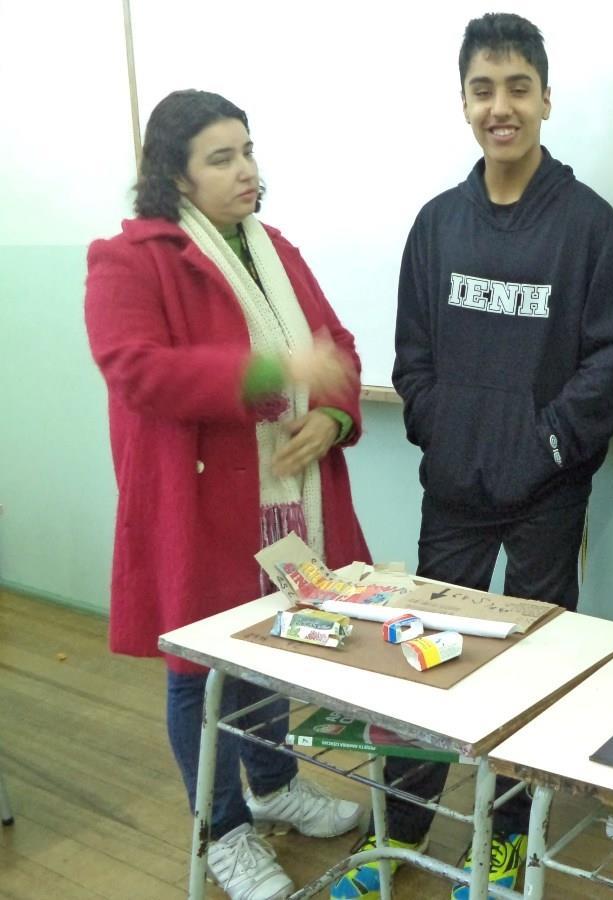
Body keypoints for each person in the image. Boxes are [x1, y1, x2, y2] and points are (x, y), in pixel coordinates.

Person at [332, 14, 613, 900]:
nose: (500, 107)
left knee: (528, 678)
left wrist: (545, 445)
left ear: (545, 98)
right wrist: (448, 431)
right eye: (483, 90)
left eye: (517, 88)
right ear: (463, 102)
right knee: (422, 669)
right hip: (455, 493)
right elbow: (412, 359)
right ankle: (396, 838)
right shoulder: (437, 225)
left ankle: (505, 846)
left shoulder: (588, 225)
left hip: (548, 496)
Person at [85, 89, 369, 900]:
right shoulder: (128, 258)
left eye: (248, 150)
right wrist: (273, 372)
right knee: (199, 673)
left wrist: (334, 418)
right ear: (176, 176)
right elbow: (137, 370)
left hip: (288, 499)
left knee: (275, 649)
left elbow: (338, 349)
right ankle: (223, 830)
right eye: (222, 158)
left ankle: (273, 786)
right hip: (199, 506)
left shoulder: (274, 248)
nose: (247, 170)